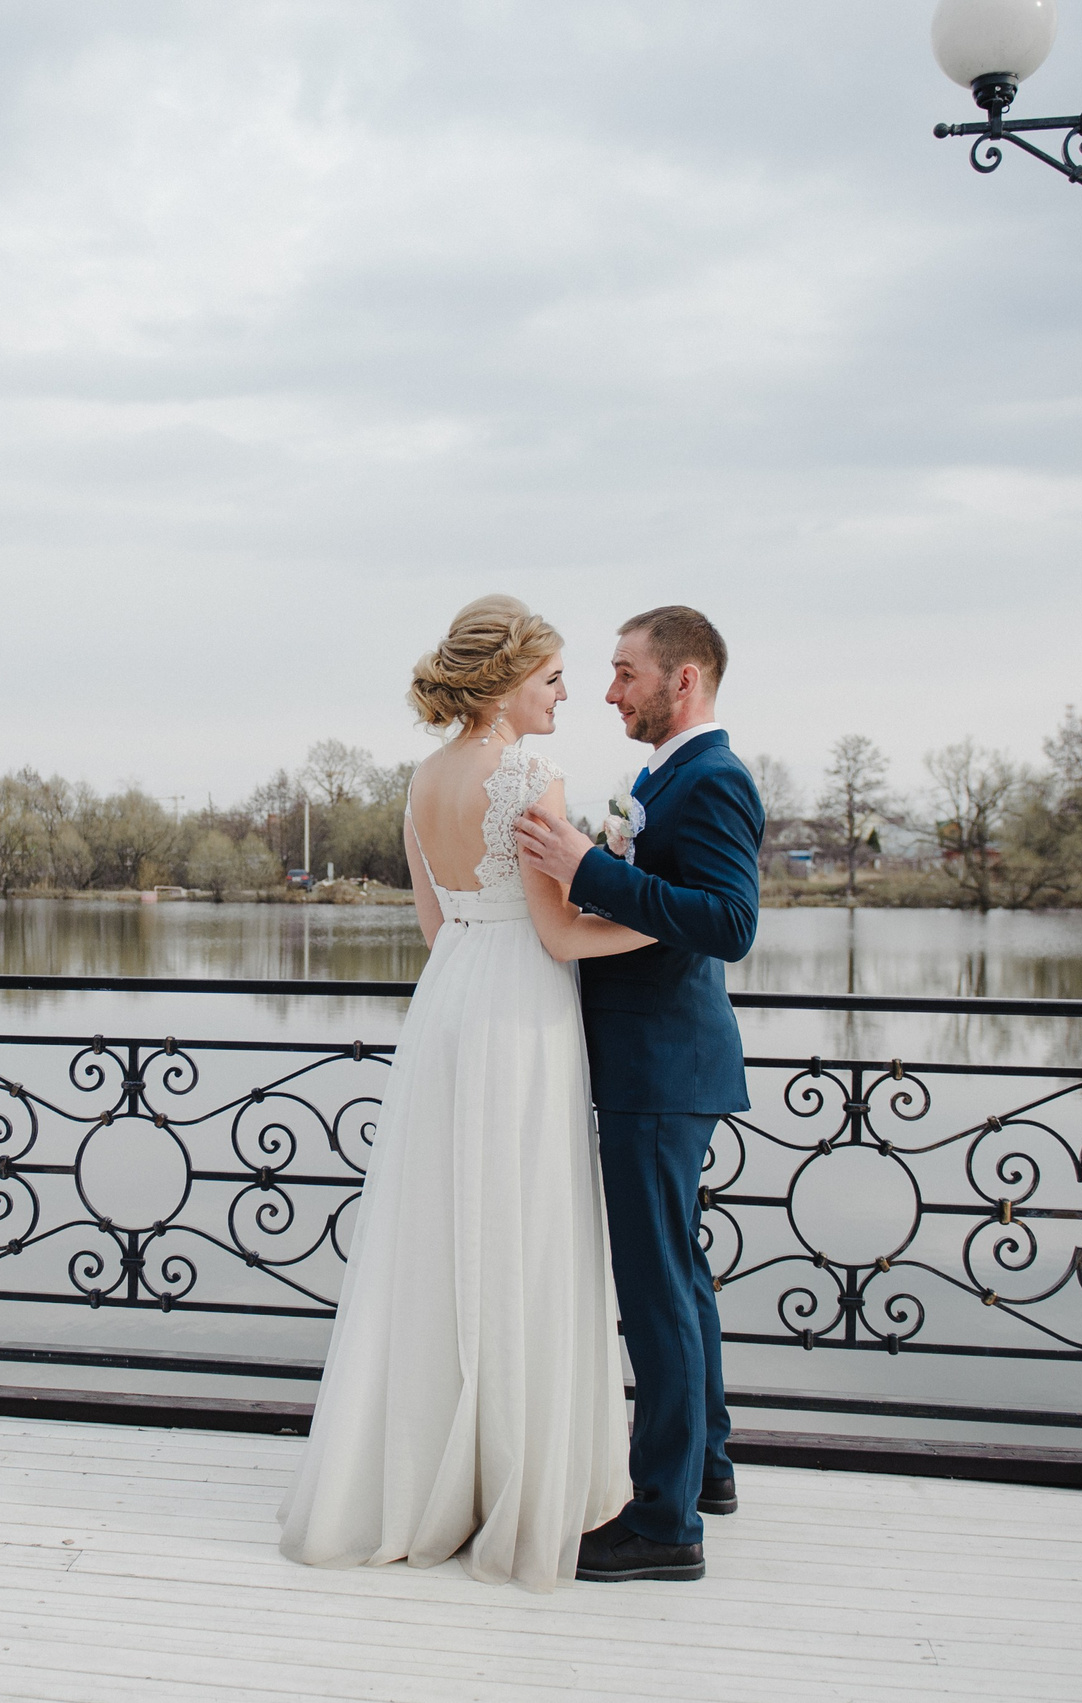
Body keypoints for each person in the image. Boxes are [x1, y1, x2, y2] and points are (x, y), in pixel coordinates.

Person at [277, 595, 655, 1593]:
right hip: (522, 1013)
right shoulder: (528, 773)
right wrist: (673, 923)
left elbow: (437, 926)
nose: (565, 693)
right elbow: (565, 934)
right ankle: (515, 1480)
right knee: (520, 1229)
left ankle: (419, 1473)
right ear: (501, 681)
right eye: (551, 678)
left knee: (441, 1230)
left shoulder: (424, 778)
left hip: (447, 1004)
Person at [513, 604, 762, 1584]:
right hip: (656, 1064)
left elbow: (728, 921)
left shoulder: (714, 777)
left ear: (682, 680)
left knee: (655, 1291)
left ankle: (663, 1520)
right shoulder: (666, 776)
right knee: (679, 1280)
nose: (608, 689)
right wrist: (603, 863)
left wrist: (587, 871)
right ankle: (706, 1467)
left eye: (624, 672)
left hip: (660, 1066)